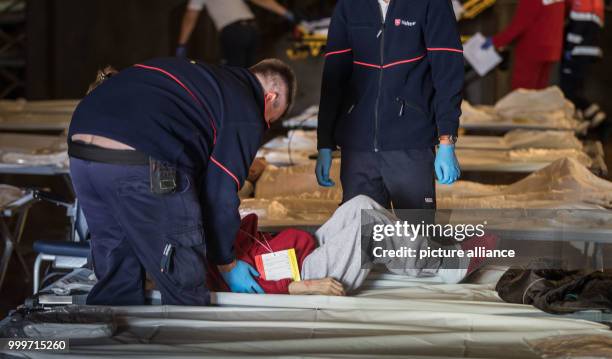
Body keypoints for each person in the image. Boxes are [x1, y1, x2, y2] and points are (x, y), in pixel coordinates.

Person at [68, 57, 296, 306]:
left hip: (82, 153)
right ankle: (183, 338)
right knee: (184, 280)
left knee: (116, 271)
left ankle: (110, 340)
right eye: (272, 119)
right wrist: (226, 263)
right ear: (271, 98)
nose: (266, 125)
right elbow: (219, 193)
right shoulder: (247, 108)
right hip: (140, 159)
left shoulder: (206, 79)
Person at [315, 0, 464, 210]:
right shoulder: (349, 5)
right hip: (358, 150)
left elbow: (448, 75)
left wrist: (447, 140)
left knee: (415, 236)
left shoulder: (432, 3)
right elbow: (333, 80)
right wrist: (325, 142)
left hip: (412, 145)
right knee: (363, 238)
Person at [207, 195, 498, 295]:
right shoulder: (196, 248)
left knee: (360, 203)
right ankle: (445, 266)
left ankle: (424, 256)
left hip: (303, 250)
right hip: (302, 272)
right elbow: (246, 288)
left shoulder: (212, 217)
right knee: (368, 227)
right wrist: (304, 287)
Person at [176, 0, 295, 67]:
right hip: (252, 29)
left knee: (232, 75)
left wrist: (182, 44)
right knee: (254, 74)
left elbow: (190, 16)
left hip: (233, 32)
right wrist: (286, 13)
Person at [482, 0, 566, 90]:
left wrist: (496, 41)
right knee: (540, 92)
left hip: (532, 49)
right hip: (552, 48)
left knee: (522, 93)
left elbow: (520, 25)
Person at [560, 0, 607, 128]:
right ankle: (582, 120)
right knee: (576, 88)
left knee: (568, 90)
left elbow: (578, 28)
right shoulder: (597, 3)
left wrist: (568, 49)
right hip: (589, 51)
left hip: (576, 51)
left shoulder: (581, 3)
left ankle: (594, 114)